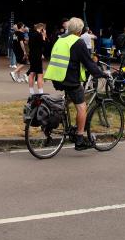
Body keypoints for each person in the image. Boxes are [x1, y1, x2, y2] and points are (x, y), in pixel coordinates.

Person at [44, 17, 109, 150]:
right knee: (81, 107)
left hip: (57, 77)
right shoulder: (78, 43)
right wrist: (102, 74)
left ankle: (53, 123)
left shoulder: (61, 39)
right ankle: (79, 139)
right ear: (79, 31)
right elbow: (88, 63)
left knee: (66, 102)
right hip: (69, 80)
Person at [26, 23, 48, 95]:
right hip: (37, 56)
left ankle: (31, 91)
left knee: (32, 72)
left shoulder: (31, 34)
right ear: (41, 28)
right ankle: (40, 92)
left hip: (31, 55)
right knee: (39, 74)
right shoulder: (39, 35)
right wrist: (44, 36)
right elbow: (43, 45)